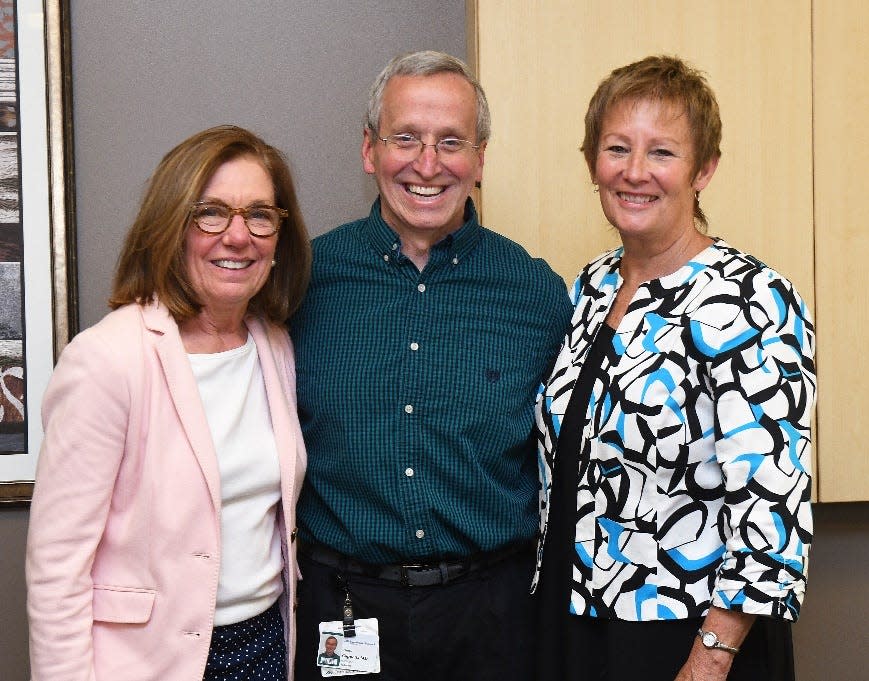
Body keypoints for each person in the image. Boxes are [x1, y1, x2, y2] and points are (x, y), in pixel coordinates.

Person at [289, 51, 573, 681]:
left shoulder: (536, 295)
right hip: (343, 607)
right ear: (370, 150)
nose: (427, 164)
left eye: (451, 142)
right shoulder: (300, 284)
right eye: (406, 138)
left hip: (493, 615)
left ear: (480, 158)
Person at [534, 55, 816, 681]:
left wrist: (710, 657)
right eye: (616, 149)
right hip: (578, 618)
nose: (634, 172)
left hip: (689, 637)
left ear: (704, 170)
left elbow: (773, 501)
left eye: (662, 152)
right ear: (592, 163)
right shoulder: (593, 284)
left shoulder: (749, 299)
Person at [26, 125, 311, 681]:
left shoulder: (274, 344)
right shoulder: (108, 359)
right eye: (211, 213)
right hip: (148, 661)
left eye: (259, 215)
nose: (238, 236)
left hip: (265, 648)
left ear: (280, 235)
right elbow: (57, 570)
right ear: (172, 227)